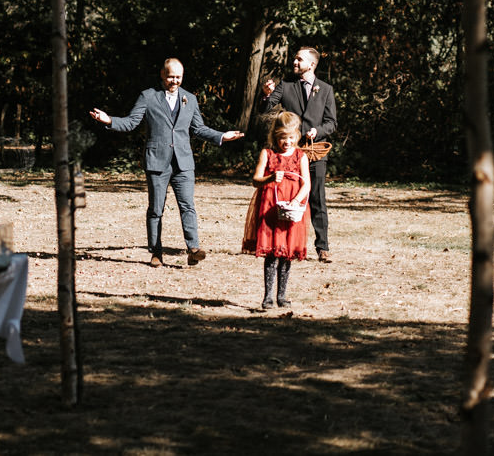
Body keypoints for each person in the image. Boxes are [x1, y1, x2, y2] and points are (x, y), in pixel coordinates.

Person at [90, 58, 244, 267]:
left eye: (178, 77)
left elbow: (198, 128)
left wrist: (221, 136)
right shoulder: (148, 96)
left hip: (183, 164)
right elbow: (132, 122)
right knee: (156, 209)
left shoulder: (189, 99)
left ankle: (193, 249)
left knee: (188, 206)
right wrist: (109, 120)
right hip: (156, 162)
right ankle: (156, 253)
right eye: (171, 76)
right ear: (162, 75)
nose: (175, 81)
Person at [260, 46, 337, 262]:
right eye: (294, 59)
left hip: (315, 154)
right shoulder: (285, 85)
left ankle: (323, 248)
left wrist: (318, 131)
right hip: (290, 154)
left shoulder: (326, 89)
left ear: (311, 64)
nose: (294, 62)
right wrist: (267, 96)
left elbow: (332, 123)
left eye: (299, 59)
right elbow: (266, 110)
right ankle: (286, 245)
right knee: (288, 198)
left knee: (317, 200)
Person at [242, 111, 311, 309]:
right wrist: (270, 178)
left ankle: (282, 295)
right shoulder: (268, 154)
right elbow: (255, 180)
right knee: (272, 253)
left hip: (292, 208)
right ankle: (268, 296)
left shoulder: (301, 156)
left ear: (297, 136)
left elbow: (306, 184)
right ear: (275, 136)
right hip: (271, 207)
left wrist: (296, 201)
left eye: (290, 138)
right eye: (282, 138)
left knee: (286, 252)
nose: (286, 142)